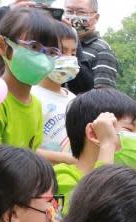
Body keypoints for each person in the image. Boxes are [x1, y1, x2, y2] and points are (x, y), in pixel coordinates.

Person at [0, 7, 58, 151]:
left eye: (51, 52)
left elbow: (32, 154)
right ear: (1, 45)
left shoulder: (36, 106)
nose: (43, 59)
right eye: (34, 47)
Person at [0, 1, 94, 94]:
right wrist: (10, 22)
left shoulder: (57, 24)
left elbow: (85, 85)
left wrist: (69, 38)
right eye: (33, 46)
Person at [55, 87, 136, 200]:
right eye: (129, 130)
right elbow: (94, 208)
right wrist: (107, 145)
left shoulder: (124, 184)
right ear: (93, 133)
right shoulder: (62, 177)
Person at [32, 20, 79, 164]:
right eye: (62, 51)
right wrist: (67, 159)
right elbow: (23, 147)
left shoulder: (74, 100)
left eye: (73, 52)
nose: (69, 58)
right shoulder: (32, 95)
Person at [62, 0, 117, 89]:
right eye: (69, 11)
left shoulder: (102, 51)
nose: (74, 17)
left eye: (81, 12)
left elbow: (103, 95)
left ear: (96, 18)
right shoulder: (56, 43)